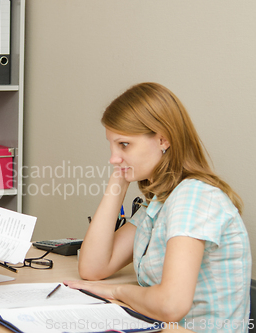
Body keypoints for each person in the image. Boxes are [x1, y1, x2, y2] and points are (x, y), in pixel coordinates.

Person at [64, 82, 251, 332]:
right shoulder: (160, 201)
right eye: (111, 145)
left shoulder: (192, 197)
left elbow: (171, 305)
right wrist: (119, 178)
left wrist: (118, 290)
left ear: (163, 139)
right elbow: (93, 268)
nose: (112, 157)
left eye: (124, 145)